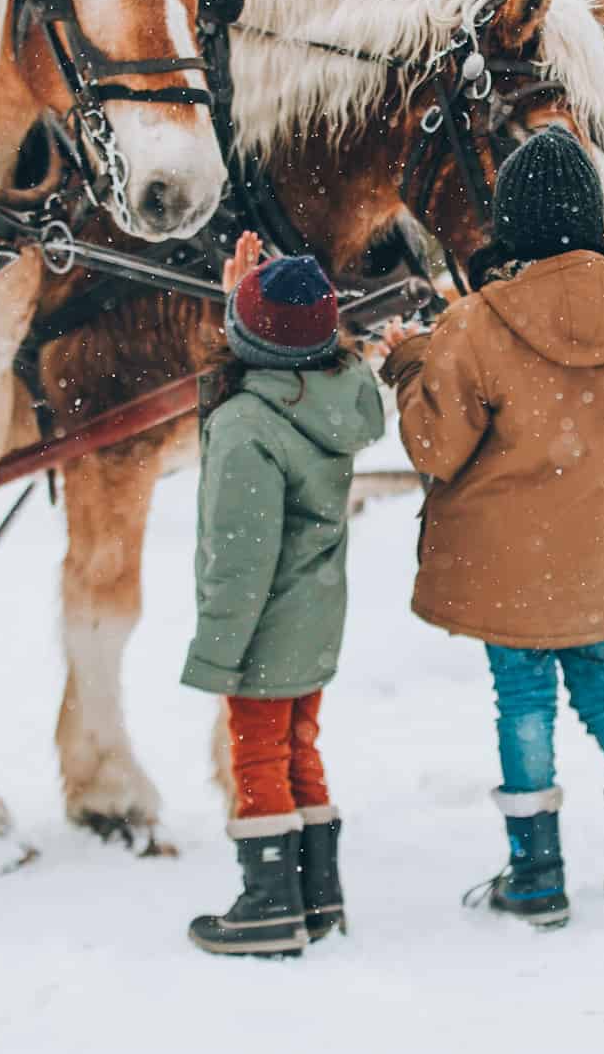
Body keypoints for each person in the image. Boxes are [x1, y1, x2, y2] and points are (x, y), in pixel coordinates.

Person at [378, 126, 604, 930]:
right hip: (592, 553)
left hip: (506, 567)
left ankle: (537, 875)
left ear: (512, 221)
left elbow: (433, 446)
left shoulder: (477, 324)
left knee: (523, 702)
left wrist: (408, 362)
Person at [183, 232, 385, 957]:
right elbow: (274, 356)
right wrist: (250, 311)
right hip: (316, 615)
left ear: (245, 340)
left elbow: (240, 560)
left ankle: (269, 902)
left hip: (265, 625)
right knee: (299, 747)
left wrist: (217, 649)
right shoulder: (331, 396)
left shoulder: (246, 428)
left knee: (257, 757)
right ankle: (316, 894)